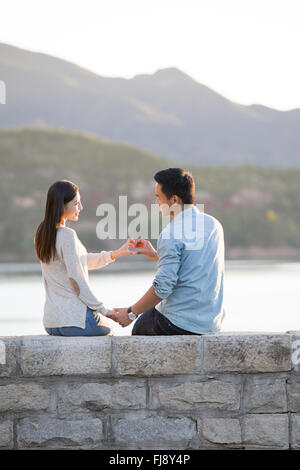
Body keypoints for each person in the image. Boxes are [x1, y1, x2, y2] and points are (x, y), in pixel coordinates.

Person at [111, 168, 225, 335]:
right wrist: (156, 254)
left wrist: (130, 313)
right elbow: (193, 263)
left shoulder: (171, 233)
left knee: (141, 326)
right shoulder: (213, 225)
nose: (156, 202)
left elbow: (163, 288)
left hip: (181, 323)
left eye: (158, 197)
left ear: (174, 199)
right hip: (210, 324)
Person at [34, 180, 135, 336]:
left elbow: (81, 261)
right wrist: (104, 310)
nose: (80, 207)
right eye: (76, 203)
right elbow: (76, 279)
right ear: (61, 205)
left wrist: (116, 253)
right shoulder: (67, 235)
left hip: (52, 323)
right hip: (75, 321)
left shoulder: (43, 233)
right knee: (110, 330)